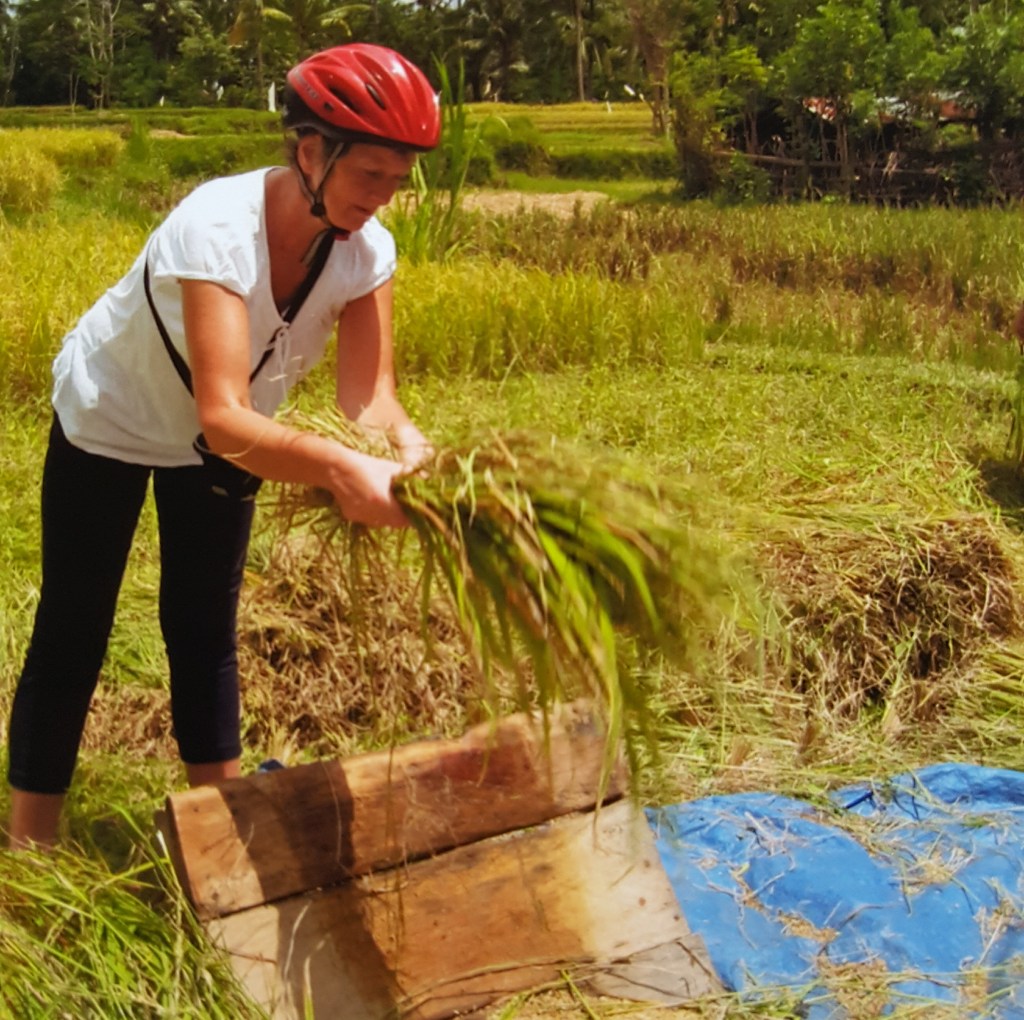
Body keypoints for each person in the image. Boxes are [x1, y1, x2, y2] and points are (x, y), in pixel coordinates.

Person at [5, 43, 440, 850]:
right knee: (77, 622)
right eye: (368, 175)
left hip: (220, 444)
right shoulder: (215, 229)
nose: (382, 198)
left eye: (397, 180)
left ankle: (226, 831)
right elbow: (225, 416)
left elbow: (370, 399)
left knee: (203, 626)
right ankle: (30, 848)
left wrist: (420, 465)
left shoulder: (367, 251)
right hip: (115, 416)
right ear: (312, 152)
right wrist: (343, 467)